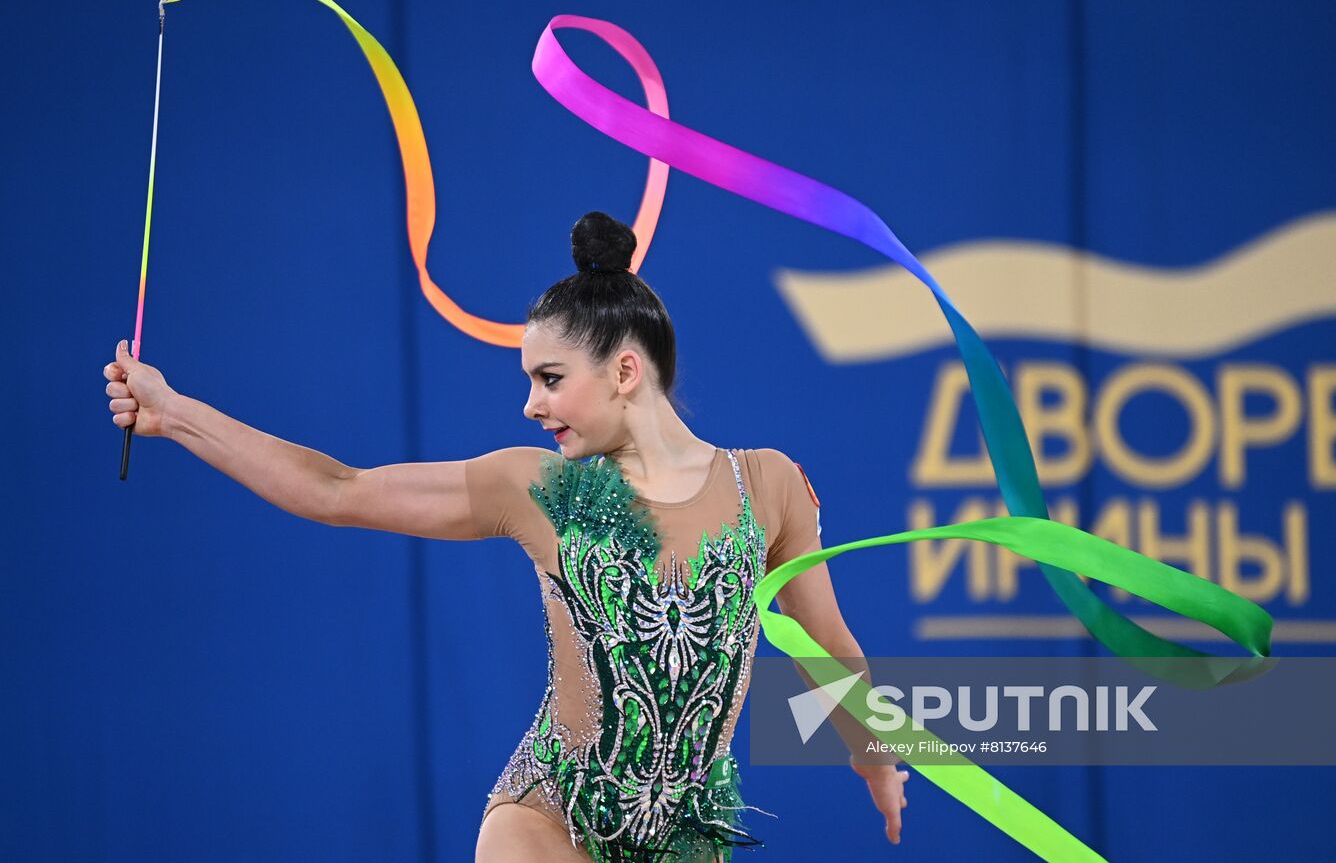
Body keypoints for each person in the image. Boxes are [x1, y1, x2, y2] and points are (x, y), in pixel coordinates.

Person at [102, 211, 909, 861]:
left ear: (625, 372)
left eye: (550, 379)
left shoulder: (764, 485)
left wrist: (873, 756)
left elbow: (827, 643)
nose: (531, 404)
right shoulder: (538, 488)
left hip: (687, 843)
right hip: (546, 822)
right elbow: (335, 489)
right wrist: (174, 413)